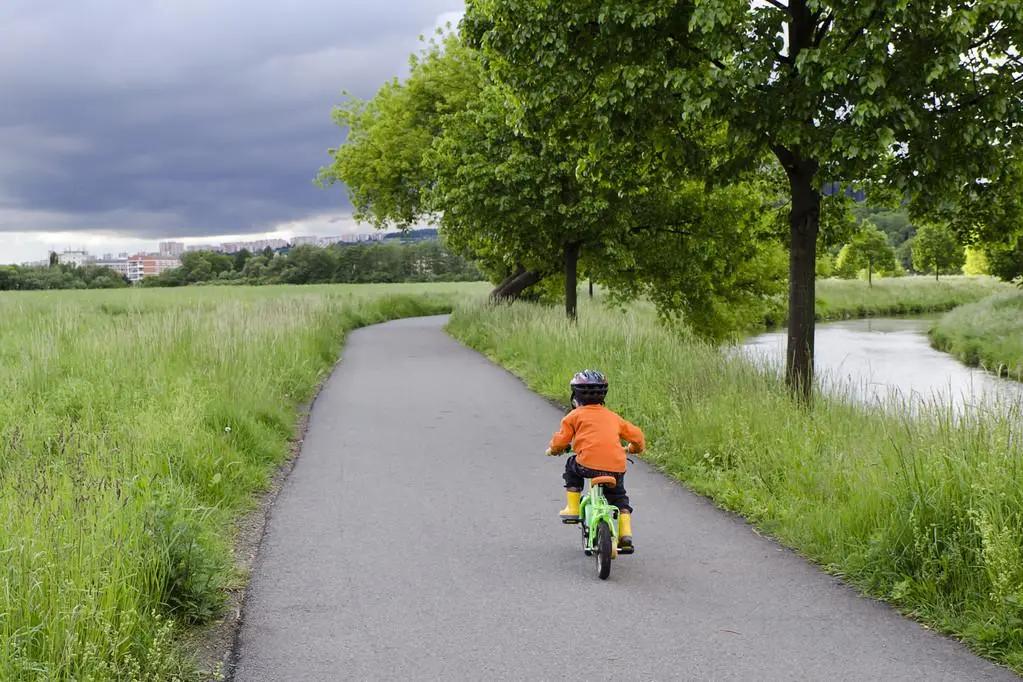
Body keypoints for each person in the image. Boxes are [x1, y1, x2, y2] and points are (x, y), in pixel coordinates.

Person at [545, 370, 645, 553]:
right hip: (616, 467)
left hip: (586, 465)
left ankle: (573, 508)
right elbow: (637, 436)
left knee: (571, 466)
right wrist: (632, 449)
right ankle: (625, 534)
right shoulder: (614, 417)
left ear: (575, 395)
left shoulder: (573, 416)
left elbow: (561, 441)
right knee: (619, 498)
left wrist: (554, 449)